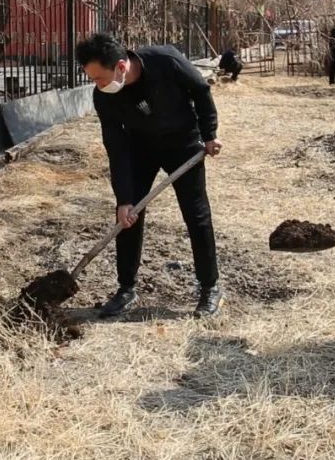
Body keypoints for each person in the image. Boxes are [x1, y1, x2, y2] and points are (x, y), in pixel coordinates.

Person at [75, 34, 224, 318]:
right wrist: (124, 198)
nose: (98, 85)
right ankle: (126, 288)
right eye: (92, 79)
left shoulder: (166, 61)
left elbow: (200, 91)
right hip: (139, 149)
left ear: (121, 66)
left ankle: (210, 286)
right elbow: (115, 146)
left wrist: (209, 134)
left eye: (99, 78)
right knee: (128, 217)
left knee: (196, 214)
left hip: (183, 145)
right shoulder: (104, 97)